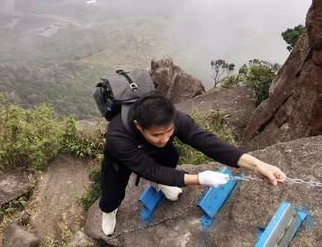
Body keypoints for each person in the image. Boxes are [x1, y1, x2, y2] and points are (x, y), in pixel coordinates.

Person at [99, 91, 287, 236]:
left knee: (169, 157)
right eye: (157, 134)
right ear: (139, 126)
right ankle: (109, 210)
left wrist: (256, 165)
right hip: (120, 159)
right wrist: (200, 179)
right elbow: (150, 169)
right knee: (112, 192)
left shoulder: (174, 118)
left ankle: (164, 182)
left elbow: (206, 142)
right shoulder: (118, 136)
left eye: (169, 131)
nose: (164, 138)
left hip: (152, 151)